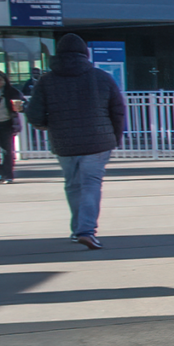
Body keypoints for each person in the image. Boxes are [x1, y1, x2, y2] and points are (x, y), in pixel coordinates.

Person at [24, 33, 125, 247]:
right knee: (91, 185)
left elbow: (34, 114)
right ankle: (86, 230)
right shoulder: (102, 77)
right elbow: (117, 110)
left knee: (72, 185)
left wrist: (45, 125)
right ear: (85, 54)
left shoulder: (46, 80)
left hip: (64, 142)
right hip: (98, 142)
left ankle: (77, 229)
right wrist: (115, 138)